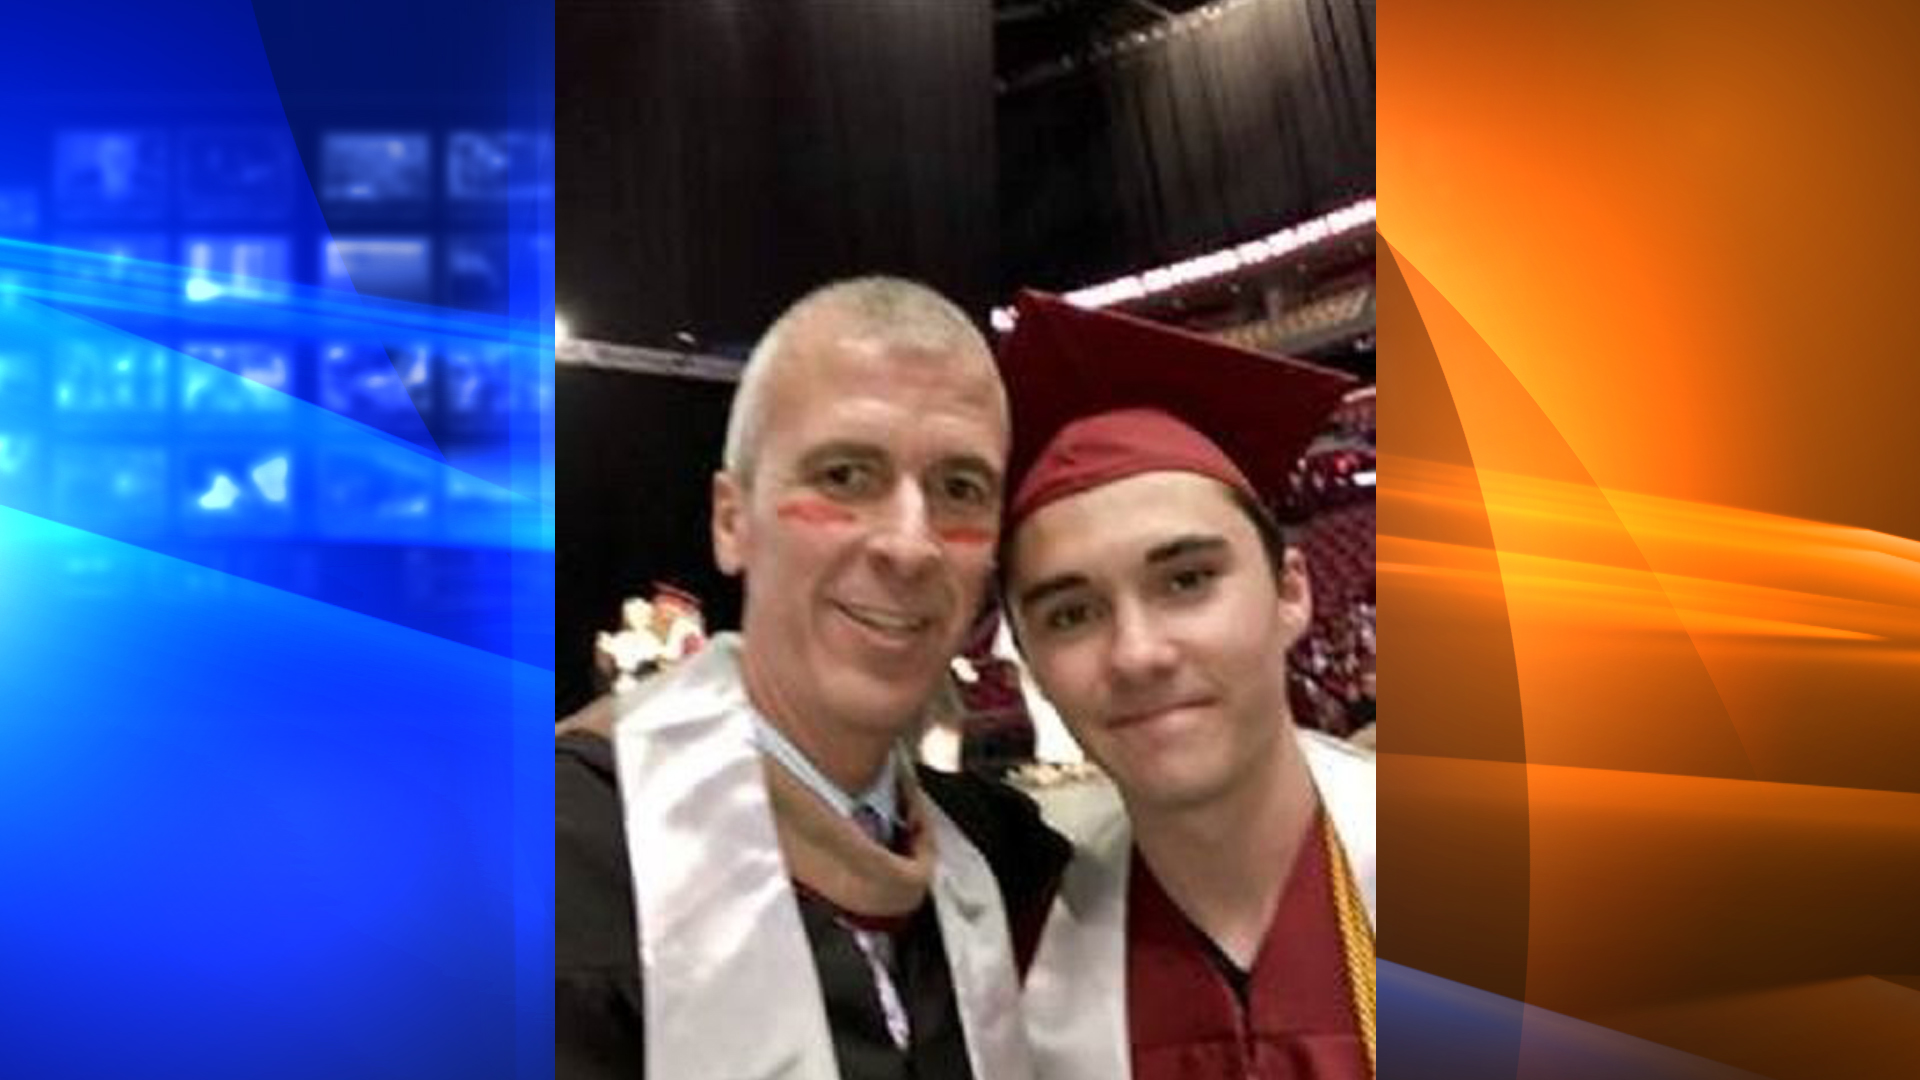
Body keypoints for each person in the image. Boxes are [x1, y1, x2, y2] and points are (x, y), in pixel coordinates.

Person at [555, 277, 1068, 1080]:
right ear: (732, 521)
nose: (910, 544)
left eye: (960, 489)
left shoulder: (1006, 861)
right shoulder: (544, 872)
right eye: (844, 475)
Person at [994, 291, 1377, 1080]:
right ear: (1029, 661)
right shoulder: (1020, 979)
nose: (1137, 653)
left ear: (1291, 593)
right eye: (1071, 614)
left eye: (1188, 579)